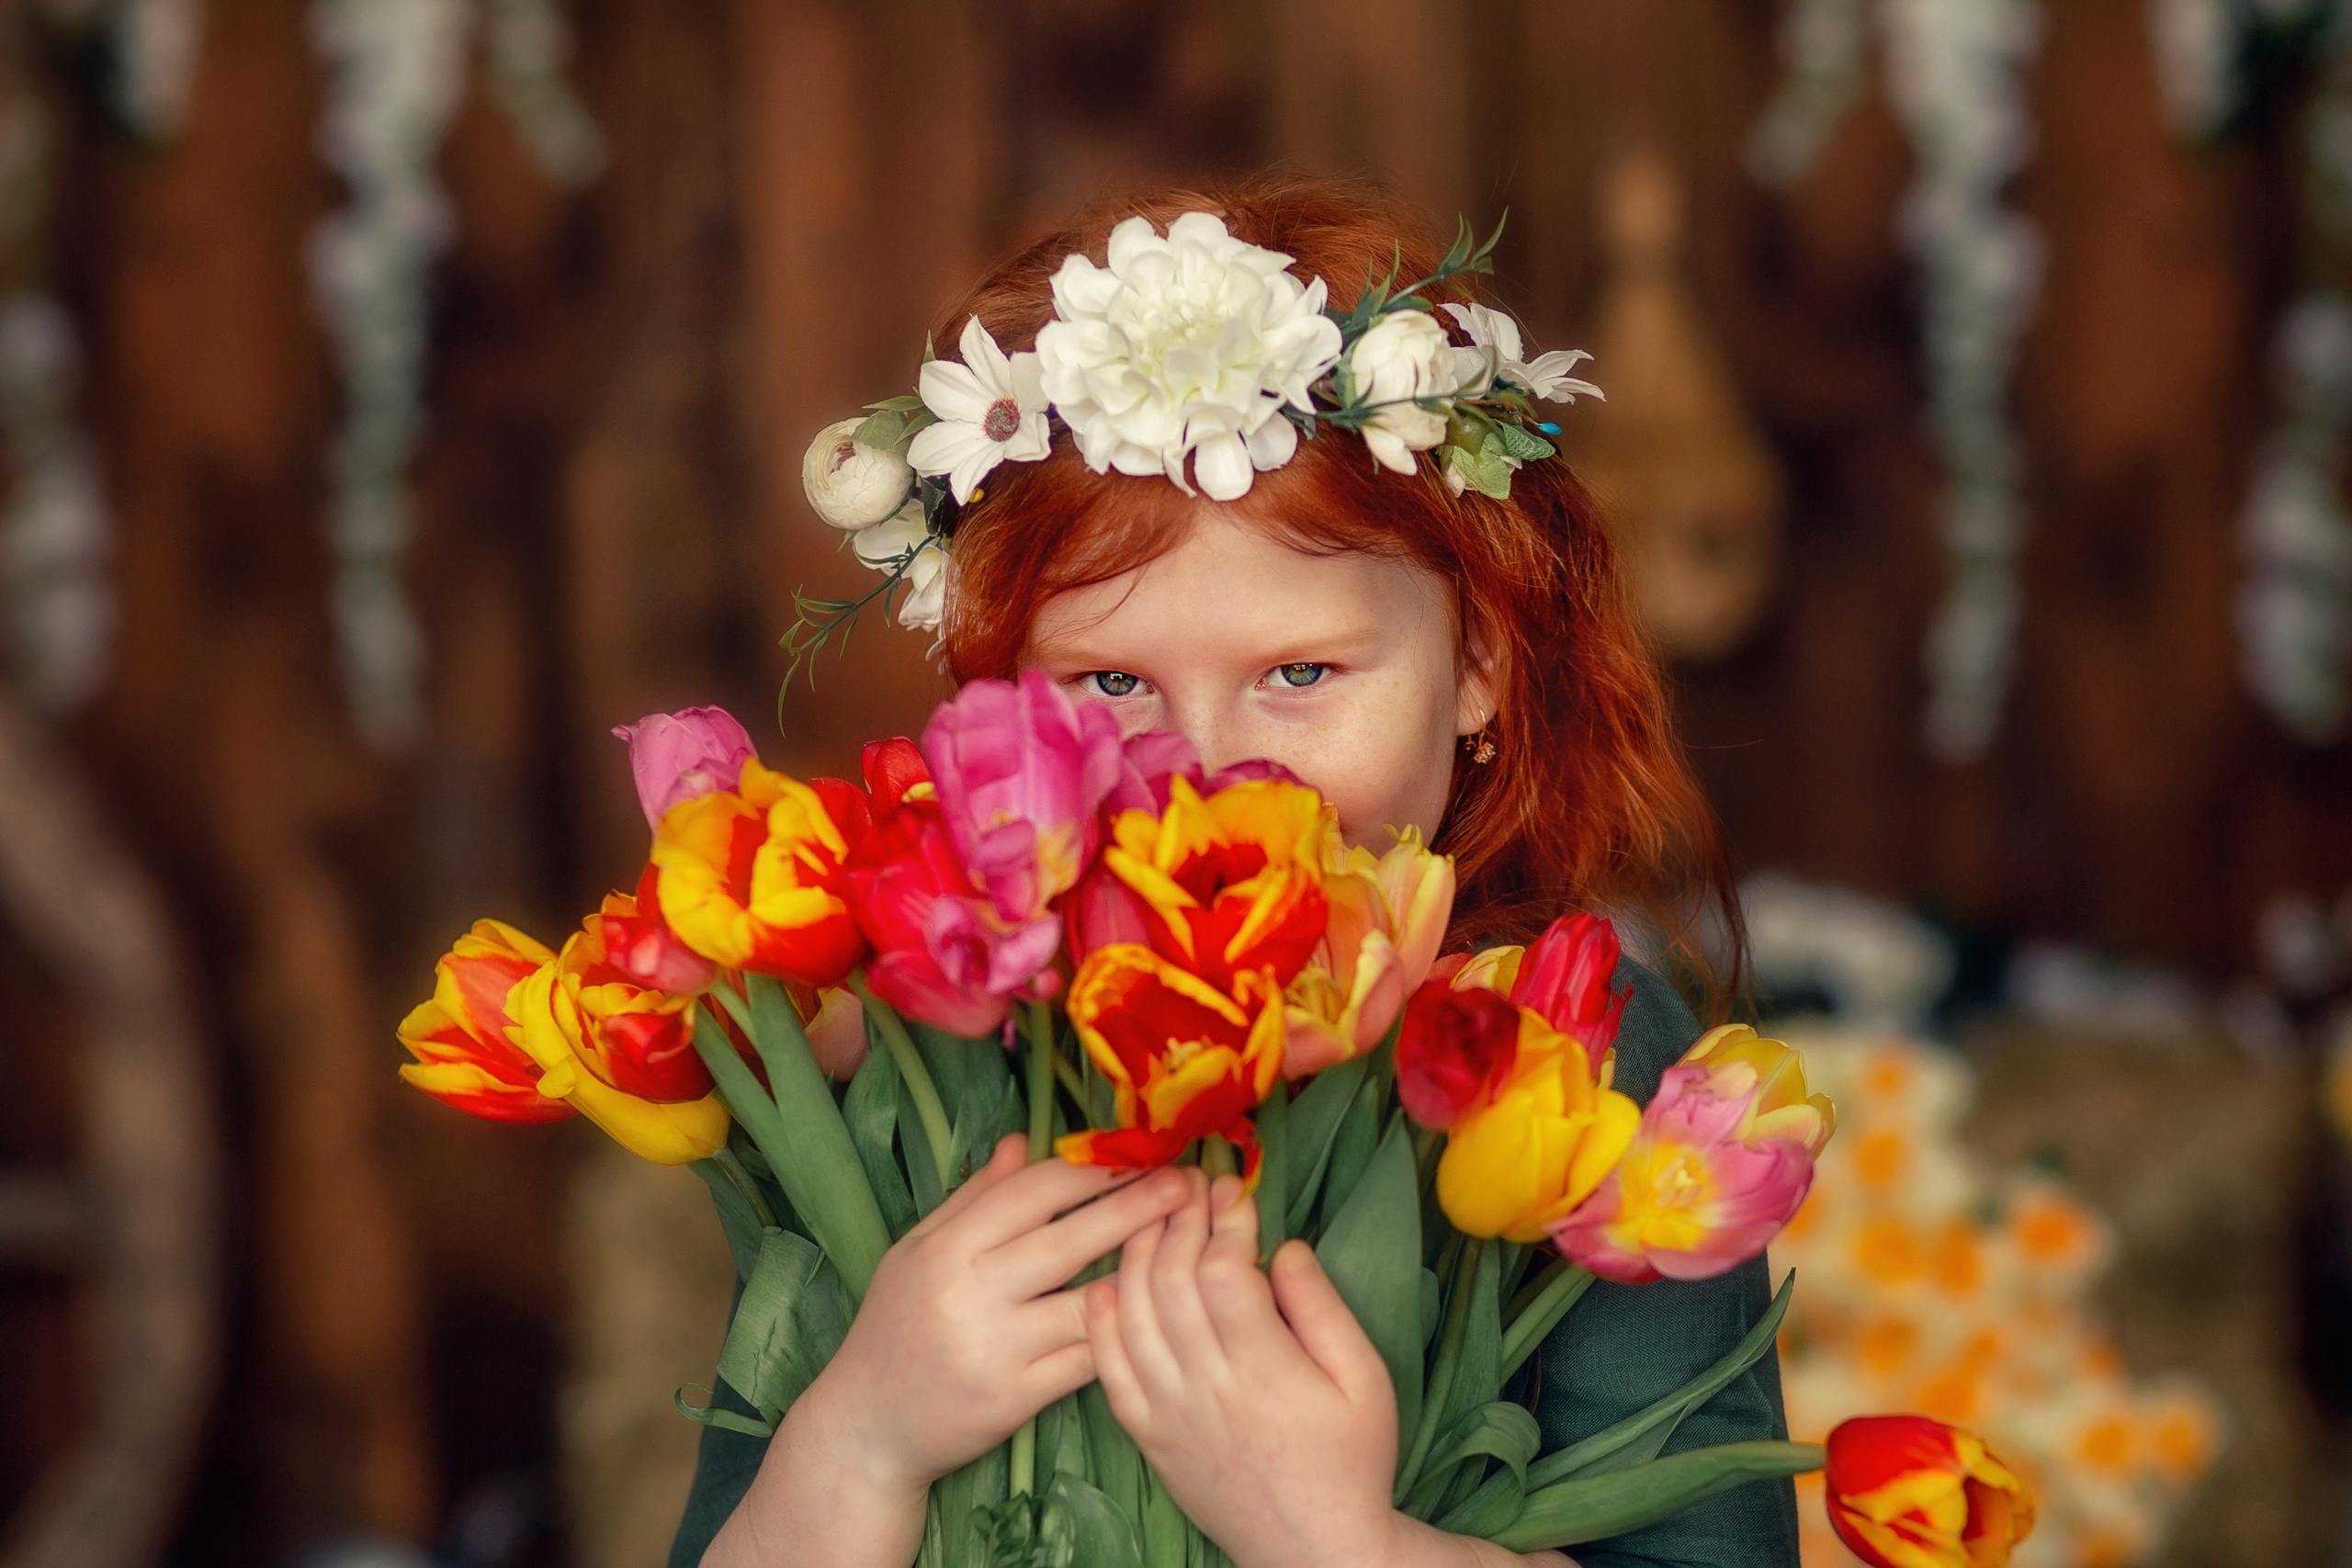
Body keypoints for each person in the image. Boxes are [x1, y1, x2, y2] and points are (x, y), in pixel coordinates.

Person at [676, 175, 1797, 1568]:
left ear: (1479, 669)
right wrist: (864, 1435)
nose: (1207, 774)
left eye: (1302, 673)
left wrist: (1336, 1539)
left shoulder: (1584, 1055)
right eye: (1111, 684)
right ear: (999, 702)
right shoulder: (891, 1062)